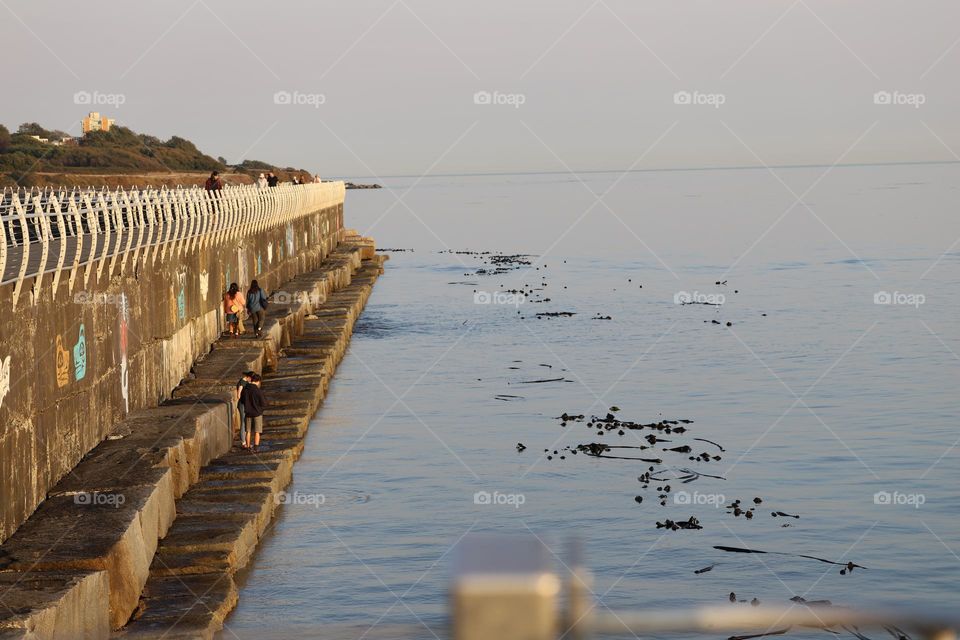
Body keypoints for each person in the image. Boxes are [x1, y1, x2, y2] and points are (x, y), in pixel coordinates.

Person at [241, 373, 266, 451]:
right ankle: (256, 447)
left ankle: (248, 446)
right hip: (257, 413)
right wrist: (260, 410)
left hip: (248, 412)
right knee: (257, 431)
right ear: (258, 381)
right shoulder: (258, 390)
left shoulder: (245, 389)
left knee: (248, 431)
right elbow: (263, 403)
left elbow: (242, 400)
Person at [235, 370, 254, 448]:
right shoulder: (243, 381)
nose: (252, 380)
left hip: (245, 404)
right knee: (243, 422)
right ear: (248, 377)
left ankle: (246, 441)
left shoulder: (246, 382)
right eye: (251, 378)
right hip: (242, 404)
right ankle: (243, 442)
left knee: (246, 422)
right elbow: (239, 395)